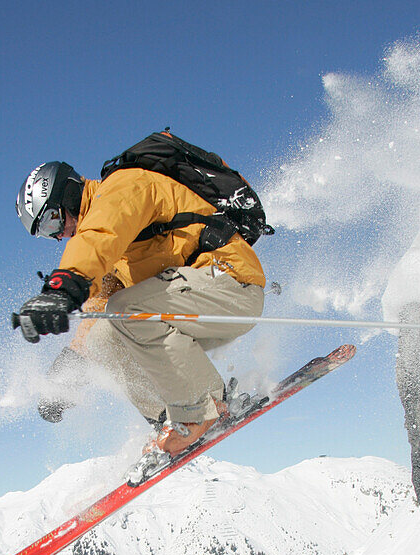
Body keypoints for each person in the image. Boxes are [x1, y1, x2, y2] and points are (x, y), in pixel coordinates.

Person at [13, 157, 266, 456]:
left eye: (52, 221)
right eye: (46, 234)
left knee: (125, 308)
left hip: (230, 283)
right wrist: (70, 371)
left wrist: (62, 285)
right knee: (102, 337)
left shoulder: (122, 187)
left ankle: (201, 409)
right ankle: (169, 419)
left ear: (68, 195)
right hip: (195, 301)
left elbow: (101, 236)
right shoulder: (113, 248)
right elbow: (99, 305)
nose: (57, 235)